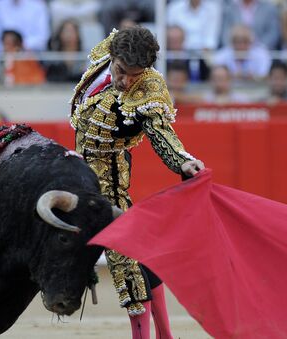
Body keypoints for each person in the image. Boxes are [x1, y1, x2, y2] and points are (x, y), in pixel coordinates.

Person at [69, 26, 205, 339]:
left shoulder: (150, 87)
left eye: (134, 74)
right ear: (112, 55)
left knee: (123, 253)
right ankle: (166, 335)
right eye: (121, 71)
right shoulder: (107, 49)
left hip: (109, 169)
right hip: (79, 162)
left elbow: (161, 133)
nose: (126, 81)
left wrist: (182, 161)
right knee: (137, 249)